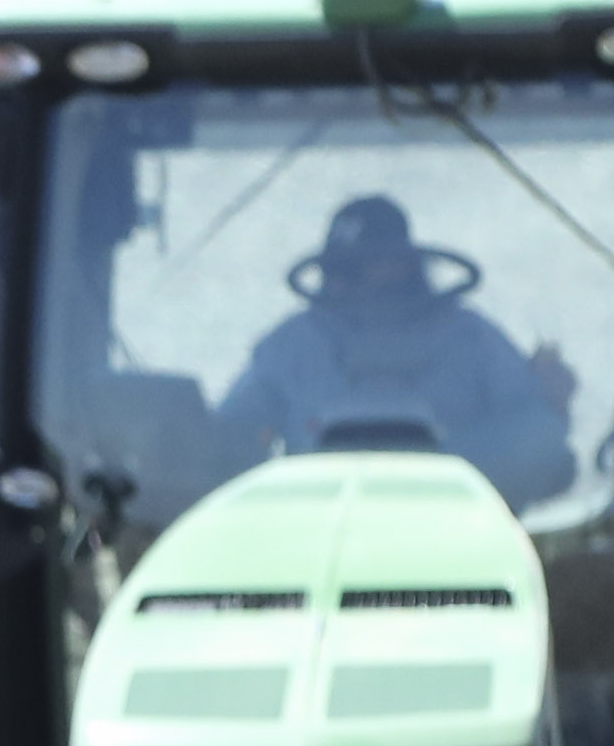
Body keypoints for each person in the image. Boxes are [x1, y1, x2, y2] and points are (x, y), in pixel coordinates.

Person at [217, 190, 579, 509]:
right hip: (313, 528)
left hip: (457, 528)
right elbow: (230, 434)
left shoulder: (470, 337)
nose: (349, 281)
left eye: (365, 266)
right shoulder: (292, 344)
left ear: (405, 264)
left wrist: (550, 397)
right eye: (341, 269)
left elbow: (537, 428)